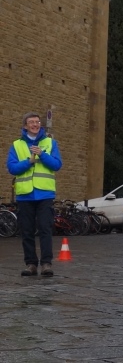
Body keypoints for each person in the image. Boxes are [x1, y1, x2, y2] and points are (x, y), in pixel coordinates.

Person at [6, 112, 63, 277]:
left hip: (45, 194)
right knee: (27, 231)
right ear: (25, 126)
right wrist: (29, 162)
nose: (35, 124)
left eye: (37, 122)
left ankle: (46, 264)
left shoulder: (50, 143)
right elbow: (12, 168)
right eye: (31, 122)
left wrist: (42, 155)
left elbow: (57, 165)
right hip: (25, 195)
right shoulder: (16, 145)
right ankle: (31, 264)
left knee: (45, 229)